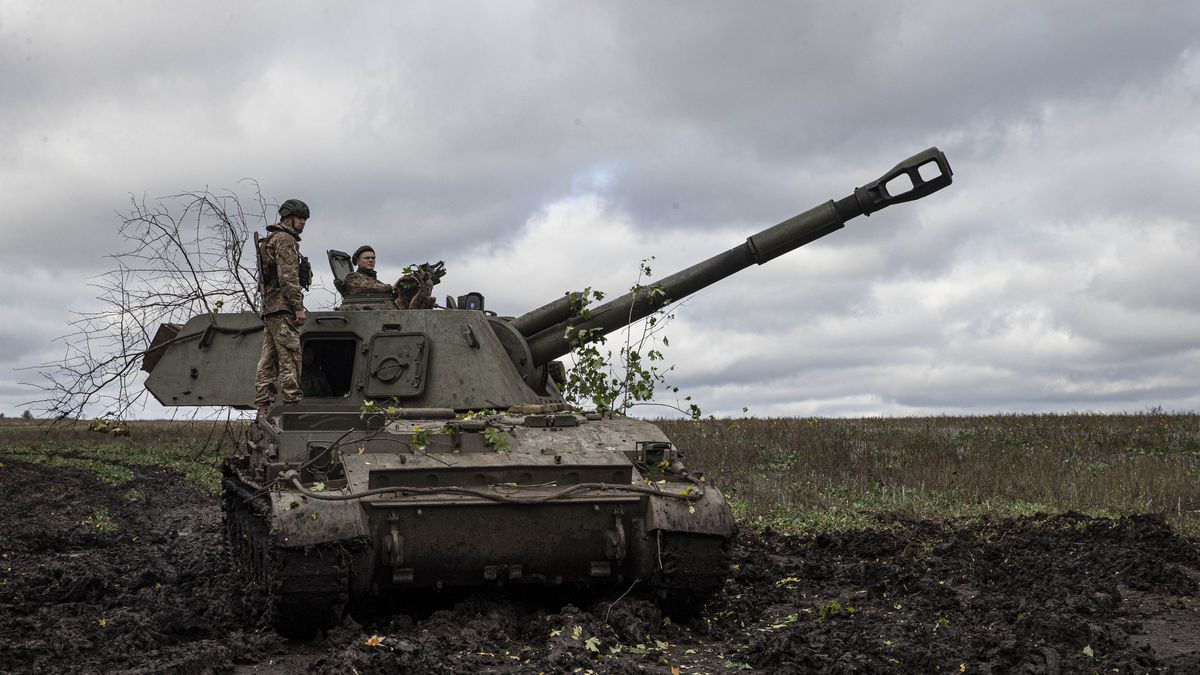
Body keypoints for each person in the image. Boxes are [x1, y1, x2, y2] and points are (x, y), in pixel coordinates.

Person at [254, 199, 311, 417]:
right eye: (300, 218)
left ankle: (263, 405)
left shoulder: (270, 239)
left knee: (268, 357)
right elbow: (288, 277)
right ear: (288, 218)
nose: (303, 223)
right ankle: (292, 403)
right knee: (290, 354)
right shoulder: (285, 239)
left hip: (270, 306)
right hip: (283, 306)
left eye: (304, 219)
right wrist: (298, 307)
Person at [342, 244, 438, 310]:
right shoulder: (352, 277)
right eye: (367, 258)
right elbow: (367, 286)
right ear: (358, 261)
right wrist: (391, 287)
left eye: (373, 258)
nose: (371, 260)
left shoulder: (374, 280)